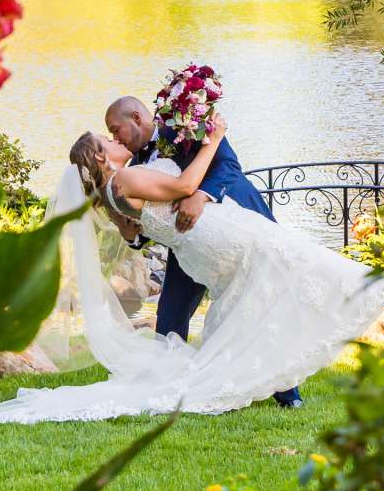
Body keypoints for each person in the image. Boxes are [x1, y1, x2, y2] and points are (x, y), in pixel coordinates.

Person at [0, 112, 384, 424]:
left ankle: (277, 376)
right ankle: (374, 288)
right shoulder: (123, 181)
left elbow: (132, 233)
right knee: (294, 263)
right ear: (102, 157)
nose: (114, 138)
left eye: (114, 130)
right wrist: (215, 137)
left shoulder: (114, 189)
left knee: (261, 291)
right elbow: (182, 187)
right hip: (213, 238)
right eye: (107, 139)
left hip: (207, 240)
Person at [103, 94, 302, 408]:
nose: (115, 137)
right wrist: (133, 238)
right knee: (170, 314)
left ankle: (288, 395)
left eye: (116, 129)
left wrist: (203, 195)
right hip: (191, 248)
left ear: (137, 119)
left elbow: (228, 166)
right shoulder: (136, 166)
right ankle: (170, 387)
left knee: (255, 306)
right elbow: (148, 220)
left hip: (232, 228)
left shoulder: (185, 122)